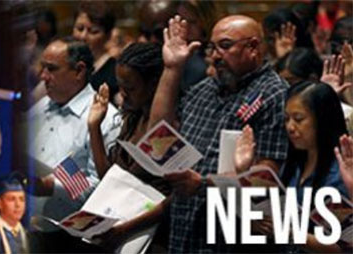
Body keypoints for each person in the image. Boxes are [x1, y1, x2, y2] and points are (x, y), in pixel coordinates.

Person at [148, 15, 289, 253]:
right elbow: (156, 138)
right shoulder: (203, 90)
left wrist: (202, 184)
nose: (214, 56)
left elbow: (266, 177)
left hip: (232, 235)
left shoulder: (275, 95)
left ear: (253, 47)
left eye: (224, 46)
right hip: (184, 228)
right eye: (212, 48)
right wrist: (172, 69)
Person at [26, 37, 120, 251]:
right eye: (43, 68)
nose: (43, 77)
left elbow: (100, 188)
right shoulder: (43, 105)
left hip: (68, 241)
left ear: (78, 71)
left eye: (51, 69)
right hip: (26, 229)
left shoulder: (104, 118)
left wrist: (49, 185)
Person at [234, 81, 350, 252]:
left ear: (322, 120)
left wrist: (290, 232)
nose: (290, 127)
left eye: (298, 119)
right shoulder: (292, 166)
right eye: (286, 119)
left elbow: (342, 247)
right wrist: (242, 171)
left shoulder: (340, 174)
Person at [88, 42, 171, 251]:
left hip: (155, 237)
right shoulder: (132, 117)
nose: (122, 94)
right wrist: (94, 126)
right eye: (120, 86)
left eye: (130, 88)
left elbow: (175, 198)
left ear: (153, 84)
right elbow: (109, 178)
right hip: (120, 229)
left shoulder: (173, 124)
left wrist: (124, 229)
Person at [72, 1, 119, 105]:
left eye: (93, 31)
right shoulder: (66, 63)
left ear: (108, 35)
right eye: (79, 29)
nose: (83, 36)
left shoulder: (116, 72)